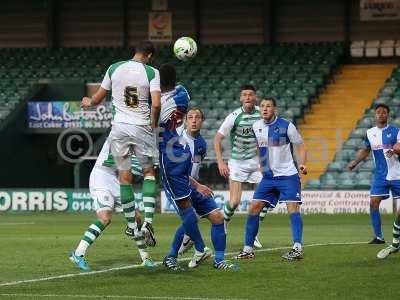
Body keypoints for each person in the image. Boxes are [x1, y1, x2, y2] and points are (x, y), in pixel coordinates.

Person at [81, 40, 160, 248]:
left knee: (124, 178)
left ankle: (132, 227)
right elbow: (157, 103)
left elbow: (97, 99)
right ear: (150, 56)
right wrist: (153, 122)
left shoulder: (114, 68)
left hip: (119, 128)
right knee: (149, 172)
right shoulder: (152, 72)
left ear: (135, 52)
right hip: (141, 125)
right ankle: (148, 222)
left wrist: (88, 102)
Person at [165, 108, 238, 271]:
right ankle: (170, 257)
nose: (193, 120)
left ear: (202, 121)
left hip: (192, 185)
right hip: (176, 186)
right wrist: (197, 185)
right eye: (190, 117)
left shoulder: (201, 144)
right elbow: (177, 172)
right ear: (185, 121)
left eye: (197, 117)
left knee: (218, 217)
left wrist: (196, 185)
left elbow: (192, 170)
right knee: (189, 219)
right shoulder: (178, 142)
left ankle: (219, 260)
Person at [235, 97, 307, 261]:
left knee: (293, 209)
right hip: (268, 178)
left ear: (275, 109)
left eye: (268, 106)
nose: (265, 109)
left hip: (288, 175)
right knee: (253, 208)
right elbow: (259, 147)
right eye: (262, 106)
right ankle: (248, 250)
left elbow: (301, 145)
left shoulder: (287, 126)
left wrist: (302, 164)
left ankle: (297, 248)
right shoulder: (256, 126)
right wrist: (261, 165)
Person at [69, 140, 155, 271]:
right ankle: (78, 253)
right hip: (101, 177)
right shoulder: (117, 136)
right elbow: (134, 166)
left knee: (137, 218)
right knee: (105, 218)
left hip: (117, 181)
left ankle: (145, 258)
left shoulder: (135, 140)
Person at [214, 84, 267, 248]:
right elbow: (217, 139)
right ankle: (223, 223)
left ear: (255, 97)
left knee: (265, 199)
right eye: (244, 95)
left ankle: (254, 233)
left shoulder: (262, 113)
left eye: (251, 94)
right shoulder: (234, 116)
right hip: (237, 162)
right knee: (235, 201)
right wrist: (221, 162)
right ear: (241, 98)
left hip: (256, 162)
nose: (248, 97)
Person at [348, 103, 400, 244]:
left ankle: (397, 234)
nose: (381, 114)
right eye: (378, 112)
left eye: (384, 112)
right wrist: (355, 162)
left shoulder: (396, 131)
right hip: (380, 176)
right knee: (373, 203)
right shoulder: (370, 133)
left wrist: (395, 150)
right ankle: (378, 237)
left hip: (397, 175)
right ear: (375, 115)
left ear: (388, 115)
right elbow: (366, 149)